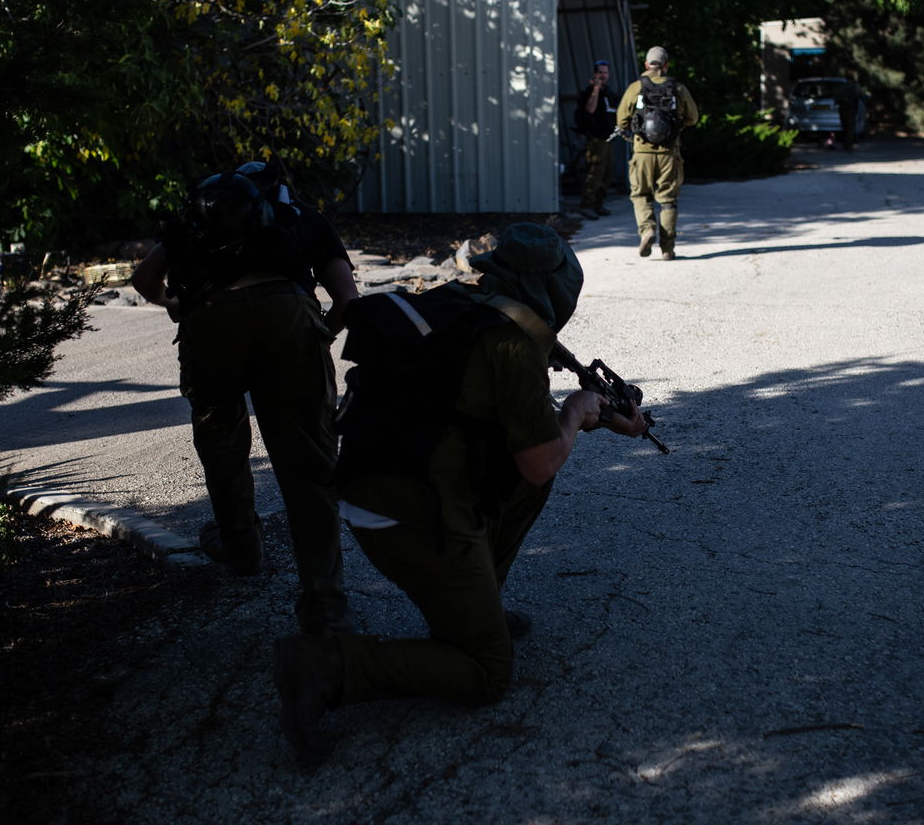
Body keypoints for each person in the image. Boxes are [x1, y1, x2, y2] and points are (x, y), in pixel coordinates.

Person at [272, 223, 647, 763]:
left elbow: (493, 422)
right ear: (557, 292)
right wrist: (575, 412)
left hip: (368, 482)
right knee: (486, 672)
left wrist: (593, 417)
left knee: (524, 473)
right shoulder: (513, 347)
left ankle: (476, 605)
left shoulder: (460, 304)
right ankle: (324, 666)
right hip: (412, 515)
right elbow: (540, 462)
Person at [131, 166, 359, 637]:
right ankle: (324, 601)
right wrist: (319, 338)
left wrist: (173, 305)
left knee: (221, 440)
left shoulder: (197, 219)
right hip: (288, 313)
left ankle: (241, 546)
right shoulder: (304, 217)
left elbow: (145, 277)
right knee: (309, 464)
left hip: (211, 319)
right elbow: (347, 298)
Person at [616, 46, 699, 261]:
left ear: (646, 65)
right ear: (666, 65)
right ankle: (667, 248)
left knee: (640, 194)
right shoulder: (677, 88)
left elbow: (621, 120)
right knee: (668, 200)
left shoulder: (636, 87)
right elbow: (693, 117)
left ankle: (646, 230)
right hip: (669, 153)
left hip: (641, 151)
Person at [575, 60, 620, 219]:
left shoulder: (609, 93)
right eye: (600, 72)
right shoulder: (590, 92)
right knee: (595, 171)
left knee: (607, 172)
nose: (603, 76)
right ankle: (586, 205)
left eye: (605, 73)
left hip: (608, 138)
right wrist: (596, 89)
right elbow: (589, 110)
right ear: (595, 74)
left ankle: (598, 204)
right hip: (595, 138)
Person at [835, 77, 862, 152]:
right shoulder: (855, 87)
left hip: (842, 110)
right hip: (851, 110)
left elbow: (836, 99)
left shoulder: (841, 87)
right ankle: (848, 145)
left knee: (845, 127)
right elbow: (861, 96)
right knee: (850, 129)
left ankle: (845, 144)